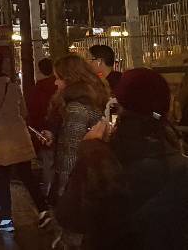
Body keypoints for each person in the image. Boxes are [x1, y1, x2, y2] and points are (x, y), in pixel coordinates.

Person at [56, 67, 188, 248]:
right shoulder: (178, 160)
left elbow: (70, 217)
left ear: (119, 106)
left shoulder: (103, 157)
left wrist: (89, 153)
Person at [43, 55, 109, 249]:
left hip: (78, 190)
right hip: (93, 183)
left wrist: (63, 200)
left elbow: (70, 158)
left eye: (58, 78)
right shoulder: (93, 99)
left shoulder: (76, 109)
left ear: (70, 79)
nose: (55, 82)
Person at [0, 54, 49, 231]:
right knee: (27, 176)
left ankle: (6, 219)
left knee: (1, 179)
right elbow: (24, 112)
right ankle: (43, 210)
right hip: (19, 137)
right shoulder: (12, 86)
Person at [28, 57, 58, 197]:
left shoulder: (37, 89)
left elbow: (33, 111)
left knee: (48, 162)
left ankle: (48, 191)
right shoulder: (58, 87)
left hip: (42, 129)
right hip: (57, 127)